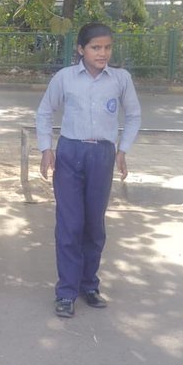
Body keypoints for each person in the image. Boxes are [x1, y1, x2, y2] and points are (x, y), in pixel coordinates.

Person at [36, 23, 141, 319]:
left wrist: (123, 150)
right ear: (81, 49)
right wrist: (46, 149)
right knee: (70, 223)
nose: (103, 53)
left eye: (107, 47)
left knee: (94, 225)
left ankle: (89, 284)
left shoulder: (120, 79)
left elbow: (133, 115)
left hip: (102, 155)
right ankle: (66, 291)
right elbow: (45, 112)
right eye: (96, 47)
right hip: (70, 152)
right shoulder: (65, 78)